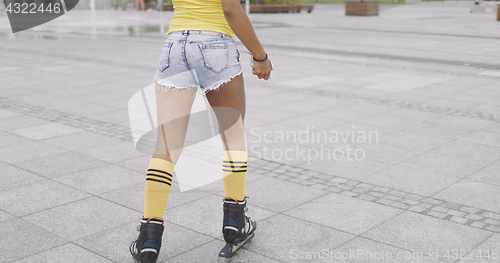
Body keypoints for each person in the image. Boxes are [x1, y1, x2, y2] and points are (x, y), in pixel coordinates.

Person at [129, 0, 273, 262]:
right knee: (233, 138)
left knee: (166, 147)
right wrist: (260, 55)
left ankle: (149, 237)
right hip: (215, 45)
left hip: (174, 46)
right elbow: (230, 7)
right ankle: (234, 224)